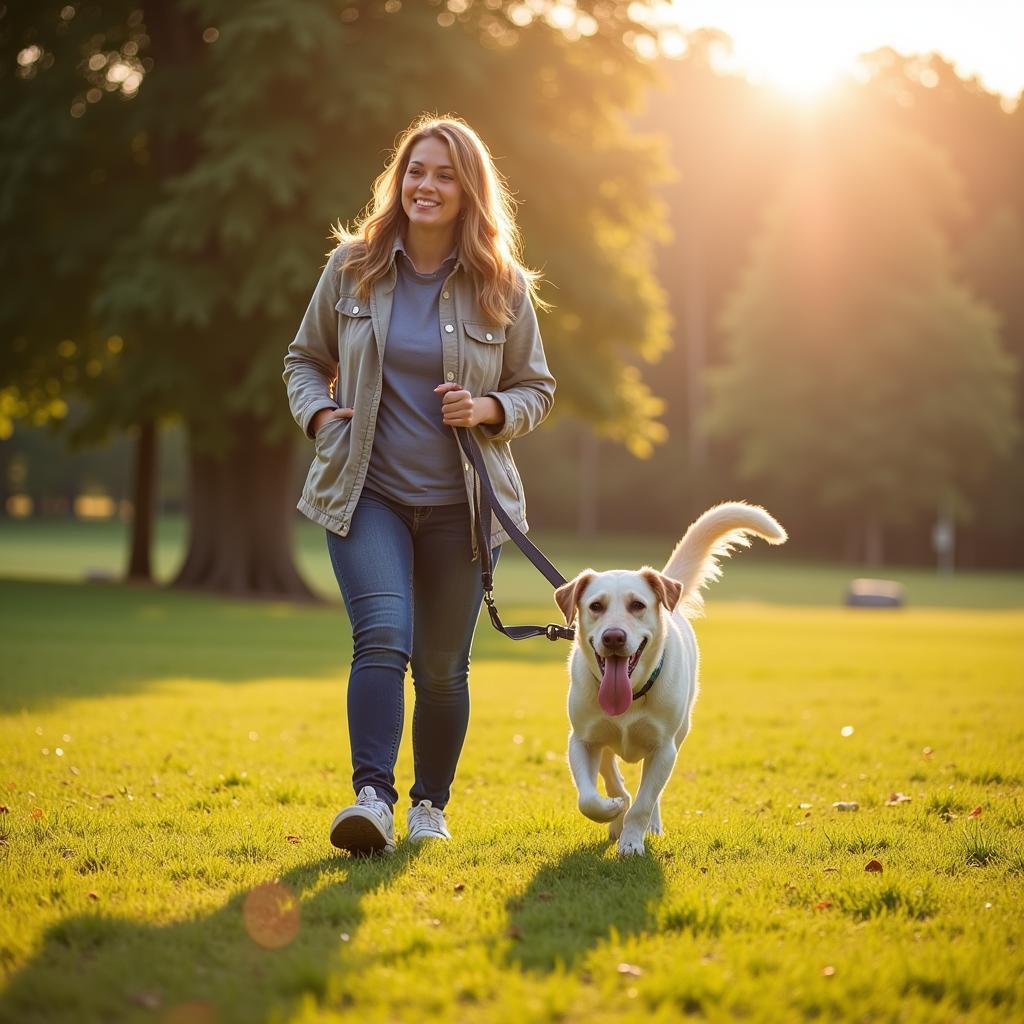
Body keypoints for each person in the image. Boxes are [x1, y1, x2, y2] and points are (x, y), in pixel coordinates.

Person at [282, 115, 556, 855]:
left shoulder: (501, 284)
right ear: (397, 180)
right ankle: (371, 799)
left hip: (462, 511)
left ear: (468, 192)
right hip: (364, 492)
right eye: (415, 171)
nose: (425, 186)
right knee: (382, 637)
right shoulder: (352, 266)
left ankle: (429, 806)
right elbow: (304, 360)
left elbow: (537, 388)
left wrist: (491, 406)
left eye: (442, 175)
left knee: (441, 669)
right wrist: (317, 416)